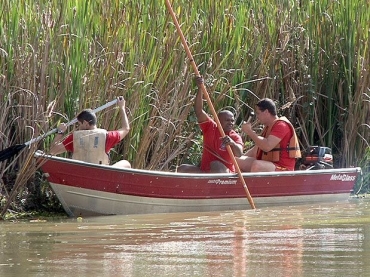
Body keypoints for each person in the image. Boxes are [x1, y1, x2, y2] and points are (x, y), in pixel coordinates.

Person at [177, 76, 243, 173]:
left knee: (216, 165)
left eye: (232, 121)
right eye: (227, 120)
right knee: (182, 168)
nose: (231, 123)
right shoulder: (210, 127)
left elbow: (240, 153)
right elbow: (199, 111)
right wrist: (200, 88)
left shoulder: (234, 136)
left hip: (224, 175)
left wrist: (232, 143)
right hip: (205, 172)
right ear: (218, 121)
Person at [49, 97, 131, 168]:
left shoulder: (74, 138)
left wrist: (60, 132)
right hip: (101, 173)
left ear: (85, 123)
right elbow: (126, 128)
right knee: (126, 163)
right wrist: (122, 108)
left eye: (79, 124)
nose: (78, 127)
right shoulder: (107, 136)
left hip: (80, 172)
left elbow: (53, 151)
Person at [236, 98, 301, 172]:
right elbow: (257, 149)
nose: (257, 116)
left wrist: (249, 131)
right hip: (269, 164)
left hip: (283, 168)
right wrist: (240, 157)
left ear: (266, 112)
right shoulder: (268, 127)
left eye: (258, 113)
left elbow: (267, 146)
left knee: (257, 165)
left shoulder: (281, 125)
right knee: (237, 161)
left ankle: (253, 184)